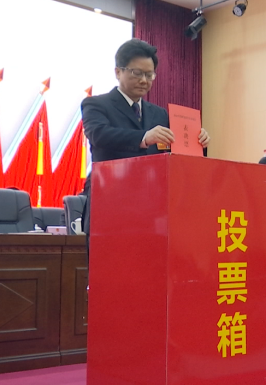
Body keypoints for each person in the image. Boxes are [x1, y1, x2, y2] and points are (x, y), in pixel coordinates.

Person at [82, 38, 210, 264]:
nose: (144, 80)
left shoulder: (159, 114)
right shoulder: (96, 104)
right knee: (110, 267)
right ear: (118, 72)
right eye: (137, 73)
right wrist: (143, 138)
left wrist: (199, 143)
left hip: (150, 206)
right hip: (111, 200)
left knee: (147, 267)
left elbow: (173, 153)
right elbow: (99, 135)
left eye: (149, 75)